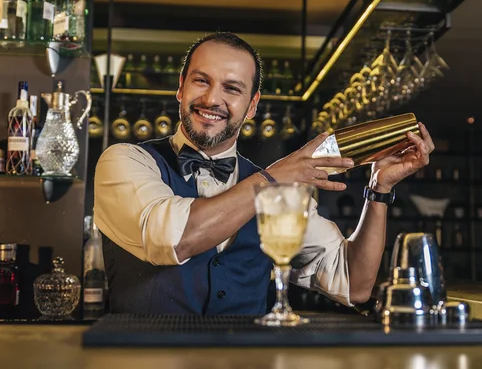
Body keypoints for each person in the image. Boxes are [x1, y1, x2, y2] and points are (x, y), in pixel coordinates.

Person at [94, 32, 435, 315]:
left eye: (232, 88)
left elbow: (355, 283)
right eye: (202, 81)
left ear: (253, 105)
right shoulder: (126, 162)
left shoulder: (279, 182)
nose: (212, 98)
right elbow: (173, 239)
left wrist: (378, 190)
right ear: (181, 87)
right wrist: (273, 179)